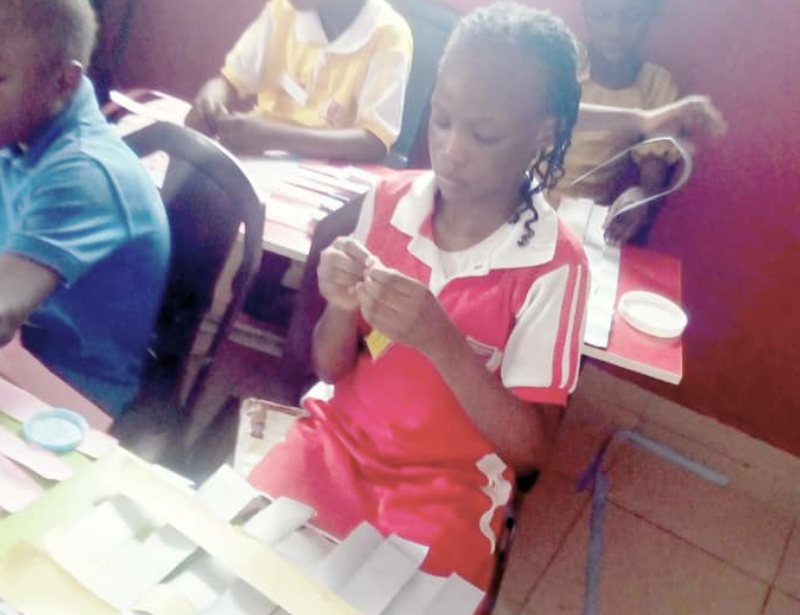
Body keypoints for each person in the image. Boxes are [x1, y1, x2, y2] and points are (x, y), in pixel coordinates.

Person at [249, 3, 588, 591]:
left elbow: (531, 450)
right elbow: (329, 366)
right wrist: (341, 303)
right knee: (244, 575)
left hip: (448, 491)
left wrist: (443, 344)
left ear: (544, 134)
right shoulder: (389, 203)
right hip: (335, 446)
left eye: (483, 135)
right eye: (441, 118)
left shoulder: (554, 265)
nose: (451, 149)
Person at [0, 0, 170, 416]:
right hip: (19, 352)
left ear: (64, 81)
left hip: (67, 395)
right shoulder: (18, 133)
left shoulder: (85, 173)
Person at [185, 0, 413, 163]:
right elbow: (229, 81)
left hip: (327, 173)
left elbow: (374, 142)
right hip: (258, 159)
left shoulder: (388, 34)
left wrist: (273, 137)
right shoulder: (283, 9)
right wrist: (208, 102)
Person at [553, 0, 680, 245]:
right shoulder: (564, 63)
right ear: (586, 13)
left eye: (631, 17)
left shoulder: (655, 84)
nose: (615, 31)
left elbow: (654, 171)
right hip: (520, 202)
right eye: (601, 15)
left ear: (649, 16)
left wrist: (641, 196)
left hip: (584, 224)